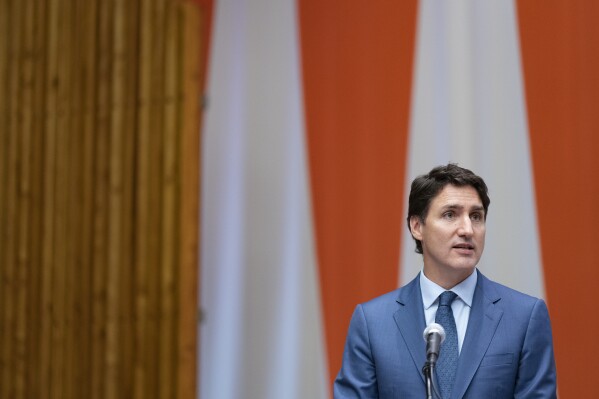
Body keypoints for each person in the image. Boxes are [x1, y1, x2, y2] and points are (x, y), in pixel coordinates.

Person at [334, 164, 557, 398]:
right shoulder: (372, 323)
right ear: (417, 226)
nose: (467, 229)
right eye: (450, 214)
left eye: (476, 216)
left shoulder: (524, 317)